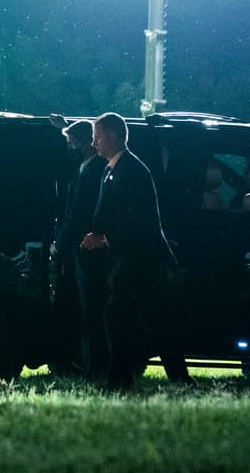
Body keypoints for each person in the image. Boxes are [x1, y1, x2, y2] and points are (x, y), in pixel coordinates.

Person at [81, 112, 191, 391]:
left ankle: (120, 379)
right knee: (154, 319)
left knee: (117, 316)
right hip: (131, 257)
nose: (94, 143)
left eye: (97, 137)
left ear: (114, 136)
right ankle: (174, 378)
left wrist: (104, 239)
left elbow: (138, 221)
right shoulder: (114, 169)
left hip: (139, 258)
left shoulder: (133, 172)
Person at [48, 116, 110, 378]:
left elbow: (77, 214)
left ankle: (95, 365)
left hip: (86, 251)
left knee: (90, 308)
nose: (69, 147)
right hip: (80, 250)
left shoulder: (93, 170)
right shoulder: (88, 167)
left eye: (72, 141)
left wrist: (59, 245)